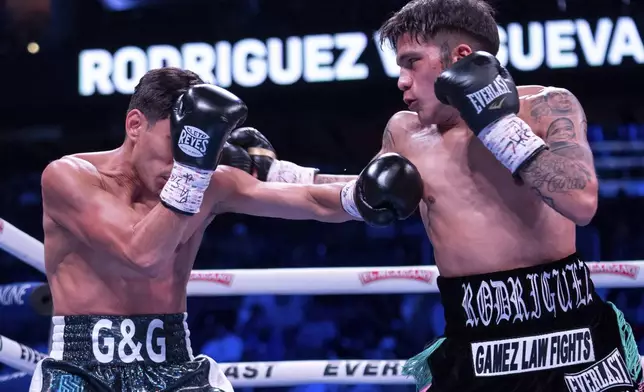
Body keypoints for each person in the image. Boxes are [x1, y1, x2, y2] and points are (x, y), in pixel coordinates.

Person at [227, 1, 643, 391]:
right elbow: (363, 193)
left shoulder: (546, 107)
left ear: (460, 58)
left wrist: (496, 125)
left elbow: (582, 202)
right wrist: (274, 174)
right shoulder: (406, 132)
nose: (401, 80)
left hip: (572, 343)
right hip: (474, 349)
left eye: (412, 62)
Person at [31, 67, 424, 392]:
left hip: (174, 365)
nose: (183, 160)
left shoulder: (207, 181)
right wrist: (193, 167)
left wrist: (367, 196)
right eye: (177, 143)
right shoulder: (69, 177)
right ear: (136, 124)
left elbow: (311, 199)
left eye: (198, 147)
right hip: (80, 368)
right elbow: (141, 254)